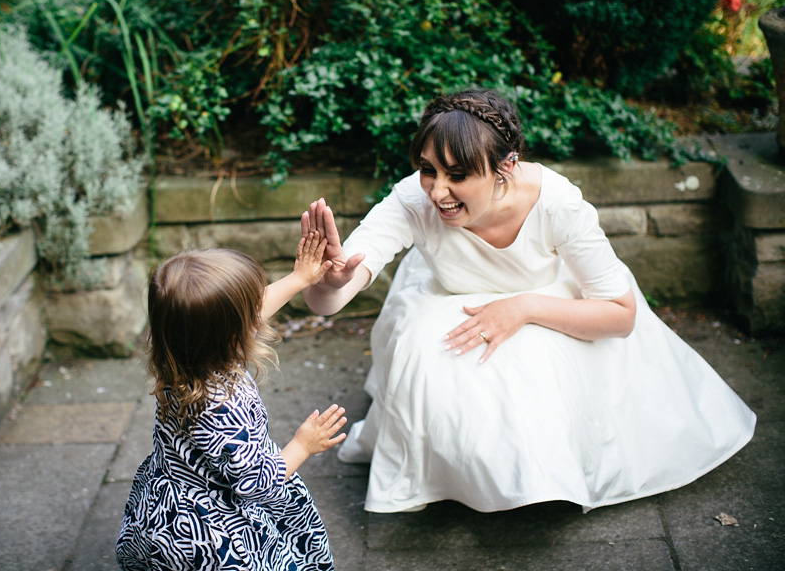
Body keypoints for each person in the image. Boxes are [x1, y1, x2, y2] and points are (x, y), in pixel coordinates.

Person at [300, 88, 756, 514]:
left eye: (458, 175)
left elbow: (621, 315)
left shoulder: (558, 204)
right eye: (427, 170)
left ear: (507, 167)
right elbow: (330, 302)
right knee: (428, 352)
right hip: (450, 297)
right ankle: (451, 476)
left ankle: (543, 475)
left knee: (537, 364)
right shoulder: (410, 202)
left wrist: (523, 307)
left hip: (550, 301)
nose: (437, 191)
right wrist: (333, 279)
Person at [116, 237, 348, 570]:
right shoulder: (225, 404)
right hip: (217, 528)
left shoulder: (180, 357)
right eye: (251, 311)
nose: (258, 314)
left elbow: (238, 315)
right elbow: (256, 482)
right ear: (233, 332)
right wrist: (302, 444)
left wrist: (299, 279)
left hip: (170, 507)